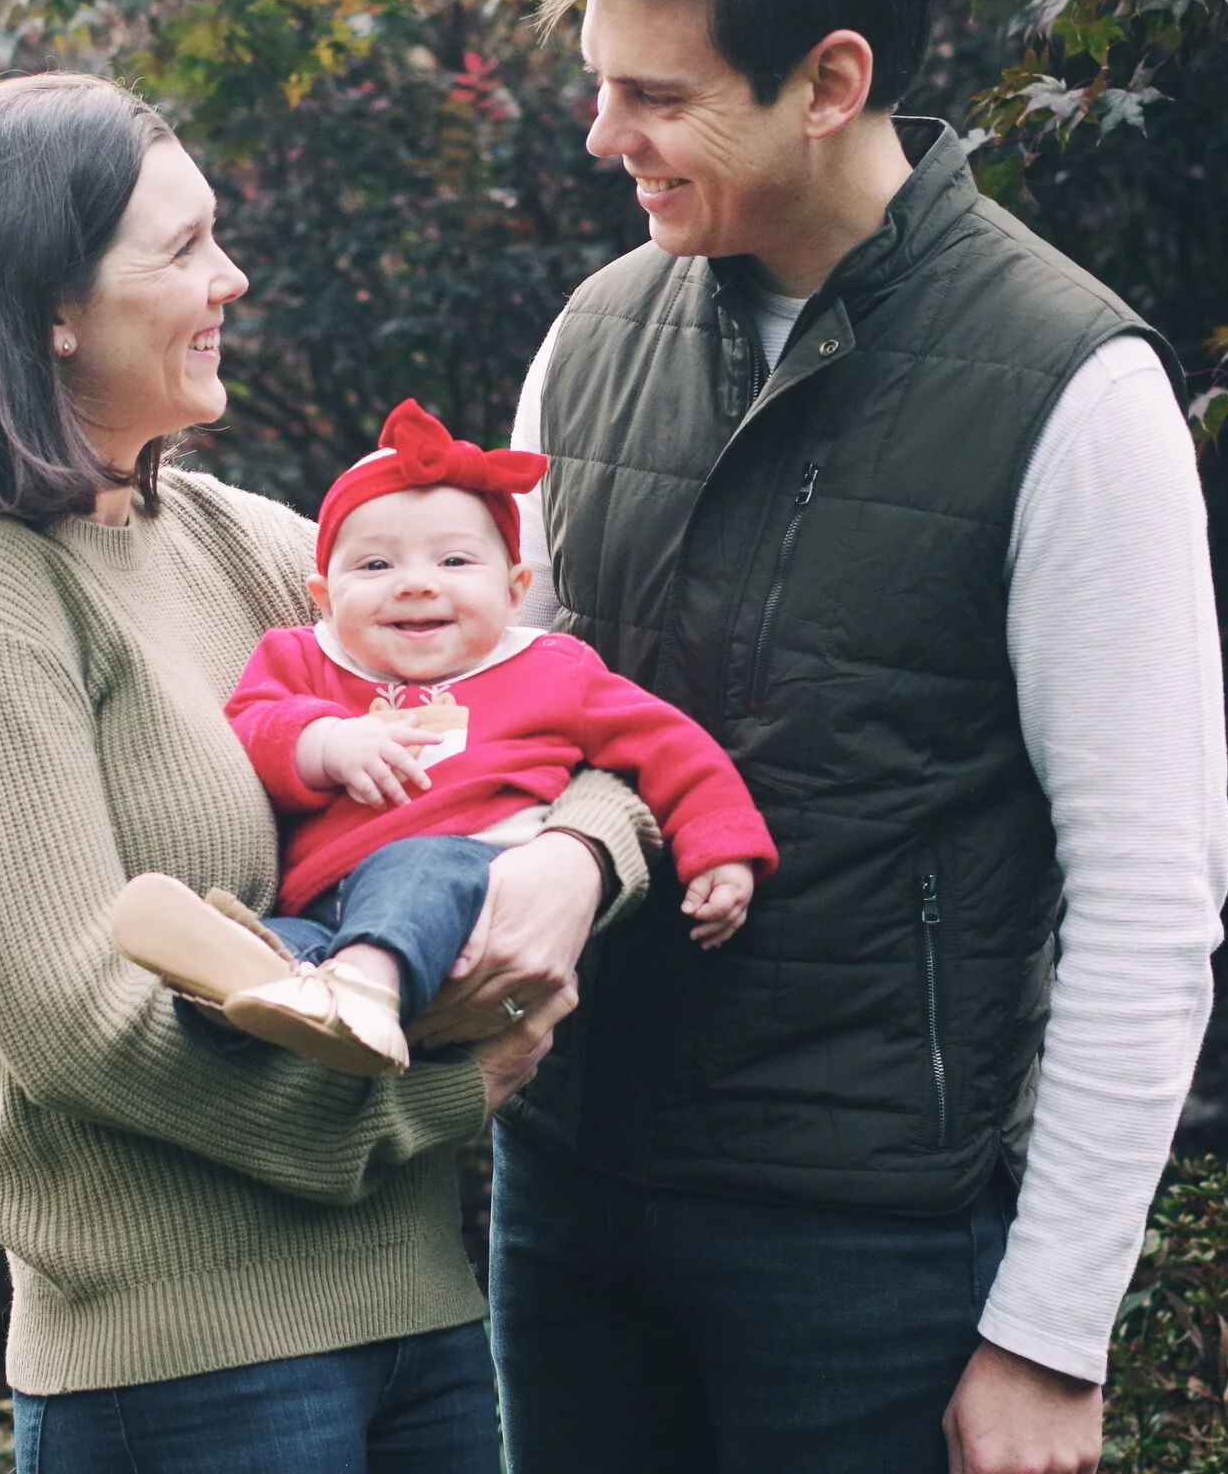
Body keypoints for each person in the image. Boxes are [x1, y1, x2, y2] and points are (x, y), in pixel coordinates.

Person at [488, 0, 1228, 1473]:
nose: (603, 134)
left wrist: (1050, 1331)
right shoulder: (592, 337)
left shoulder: (1075, 388)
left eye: (656, 95)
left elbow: (1149, 891)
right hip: (565, 1204)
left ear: (831, 81)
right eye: (600, 82)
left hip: (863, 1254)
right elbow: (514, 725)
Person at [0, 72, 652, 1474]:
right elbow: (77, 1024)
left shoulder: (222, 535)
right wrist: (440, 1098)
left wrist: (578, 857)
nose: (232, 277)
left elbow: (564, 710)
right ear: (53, 307)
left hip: (420, 1318)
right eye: (185, 246)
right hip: (187, 1370)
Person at [111, 399, 777, 1076]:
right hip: (323, 895)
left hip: (471, 888)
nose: (415, 584)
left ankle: (365, 988)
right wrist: (323, 742)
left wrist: (721, 847)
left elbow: (671, 748)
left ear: (515, 589)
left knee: (418, 866)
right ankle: (242, 1000)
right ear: (325, 597)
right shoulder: (303, 658)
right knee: (287, 944)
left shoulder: (554, 669)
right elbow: (249, 728)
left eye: (455, 561)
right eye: (375, 566)